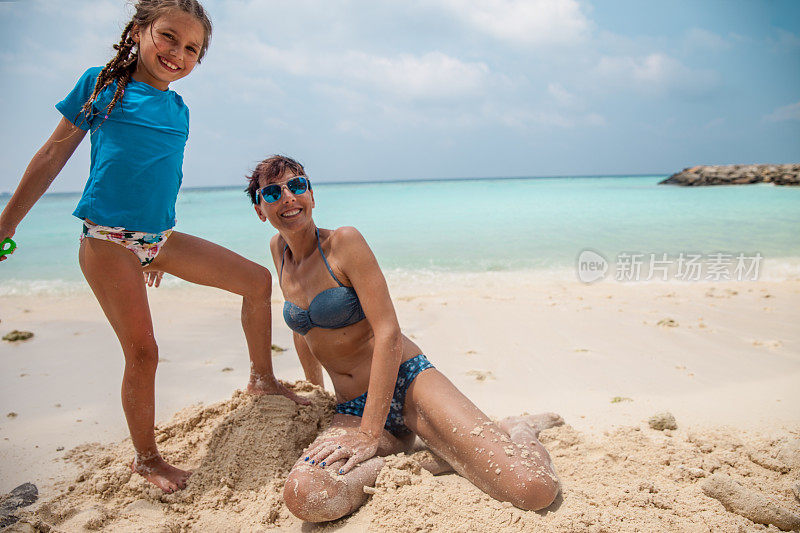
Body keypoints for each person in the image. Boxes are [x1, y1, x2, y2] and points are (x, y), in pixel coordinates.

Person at [0, 0, 306, 494]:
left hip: (157, 239)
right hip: (107, 243)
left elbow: (162, 177)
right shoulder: (104, 84)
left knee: (256, 281)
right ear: (140, 31)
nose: (177, 53)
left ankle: (262, 378)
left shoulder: (179, 108)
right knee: (143, 353)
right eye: (168, 37)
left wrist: (158, 243)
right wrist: (7, 222)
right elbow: (54, 153)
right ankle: (147, 459)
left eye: (191, 49)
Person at [247, 155, 563, 522]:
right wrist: (316, 392)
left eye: (297, 186)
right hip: (352, 406)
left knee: (533, 490)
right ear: (260, 209)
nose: (287, 197)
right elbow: (303, 330)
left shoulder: (344, 243)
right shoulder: (279, 251)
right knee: (307, 496)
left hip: (408, 383)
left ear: (312, 196)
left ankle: (517, 429)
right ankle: (411, 461)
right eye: (273, 192)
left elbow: (388, 332)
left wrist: (368, 434)